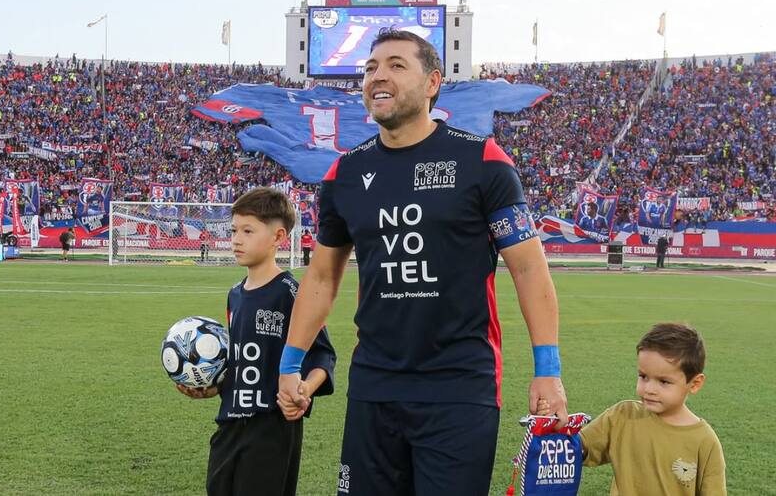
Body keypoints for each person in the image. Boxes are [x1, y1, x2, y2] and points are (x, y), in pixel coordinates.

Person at [278, 28, 567, 496]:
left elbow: (529, 269)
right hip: (374, 385)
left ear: (433, 83)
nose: (378, 76)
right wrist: (290, 363)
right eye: (371, 68)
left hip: (459, 388)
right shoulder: (344, 173)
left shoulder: (483, 160)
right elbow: (322, 278)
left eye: (396, 65)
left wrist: (548, 370)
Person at [176, 187, 336, 496]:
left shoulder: (292, 294)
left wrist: (304, 389)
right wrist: (214, 387)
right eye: (234, 230)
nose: (236, 239)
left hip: (271, 428)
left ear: (278, 237)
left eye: (248, 231)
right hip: (229, 426)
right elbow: (242, 363)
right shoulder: (235, 295)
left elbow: (323, 356)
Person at [539, 323, 726, 495]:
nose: (649, 389)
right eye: (643, 376)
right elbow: (578, 449)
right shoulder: (622, 416)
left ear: (695, 383)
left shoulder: (705, 441)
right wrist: (552, 425)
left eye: (663, 381)